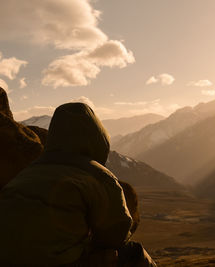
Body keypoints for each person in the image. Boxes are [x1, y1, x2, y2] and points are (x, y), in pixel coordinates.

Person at [0, 103, 156, 266]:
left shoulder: (27, 173)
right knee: (131, 252)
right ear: (99, 138)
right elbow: (117, 233)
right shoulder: (98, 176)